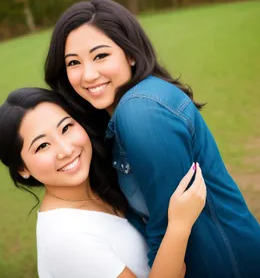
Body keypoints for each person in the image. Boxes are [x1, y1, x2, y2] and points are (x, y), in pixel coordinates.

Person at [44, 0, 260, 277]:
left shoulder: (141, 112)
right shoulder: (126, 110)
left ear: (130, 53)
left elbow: (168, 230)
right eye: (73, 62)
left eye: (101, 56)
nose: (89, 74)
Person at [0, 87, 207, 278]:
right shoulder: (65, 239)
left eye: (66, 128)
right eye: (43, 145)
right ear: (21, 168)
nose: (66, 150)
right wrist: (179, 226)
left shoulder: (102, 188)